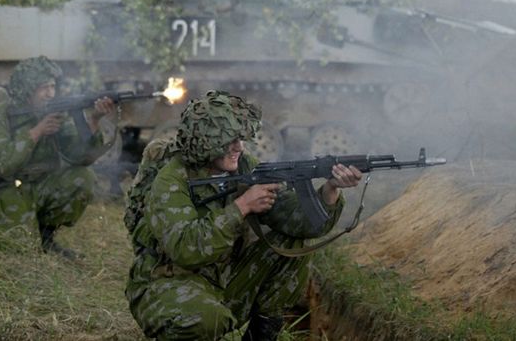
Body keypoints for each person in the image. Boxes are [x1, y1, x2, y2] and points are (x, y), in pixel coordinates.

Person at [125, 90, 362, 340]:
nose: (239, 146)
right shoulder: (171, 181)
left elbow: (297, 221)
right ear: (207, 142)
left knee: (289, 242)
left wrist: (329, 190)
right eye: (230, 140)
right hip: (169, 284)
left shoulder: (244, 165)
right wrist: (241, 207)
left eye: (241, 138)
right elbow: (187, 249)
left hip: (223, 278)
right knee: (205, 320)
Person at [0, 55, 115, 259]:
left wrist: (93, 120)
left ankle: (46, 238)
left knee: (82, 177)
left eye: (52, 87)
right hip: (2, 190)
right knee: (15, 254)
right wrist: (36, 132)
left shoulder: (50, 112)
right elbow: (0, 165)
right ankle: (22, 237)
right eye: (43, 87)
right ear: (27, 89)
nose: (50, 93)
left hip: (37, 185)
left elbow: (79, 157)